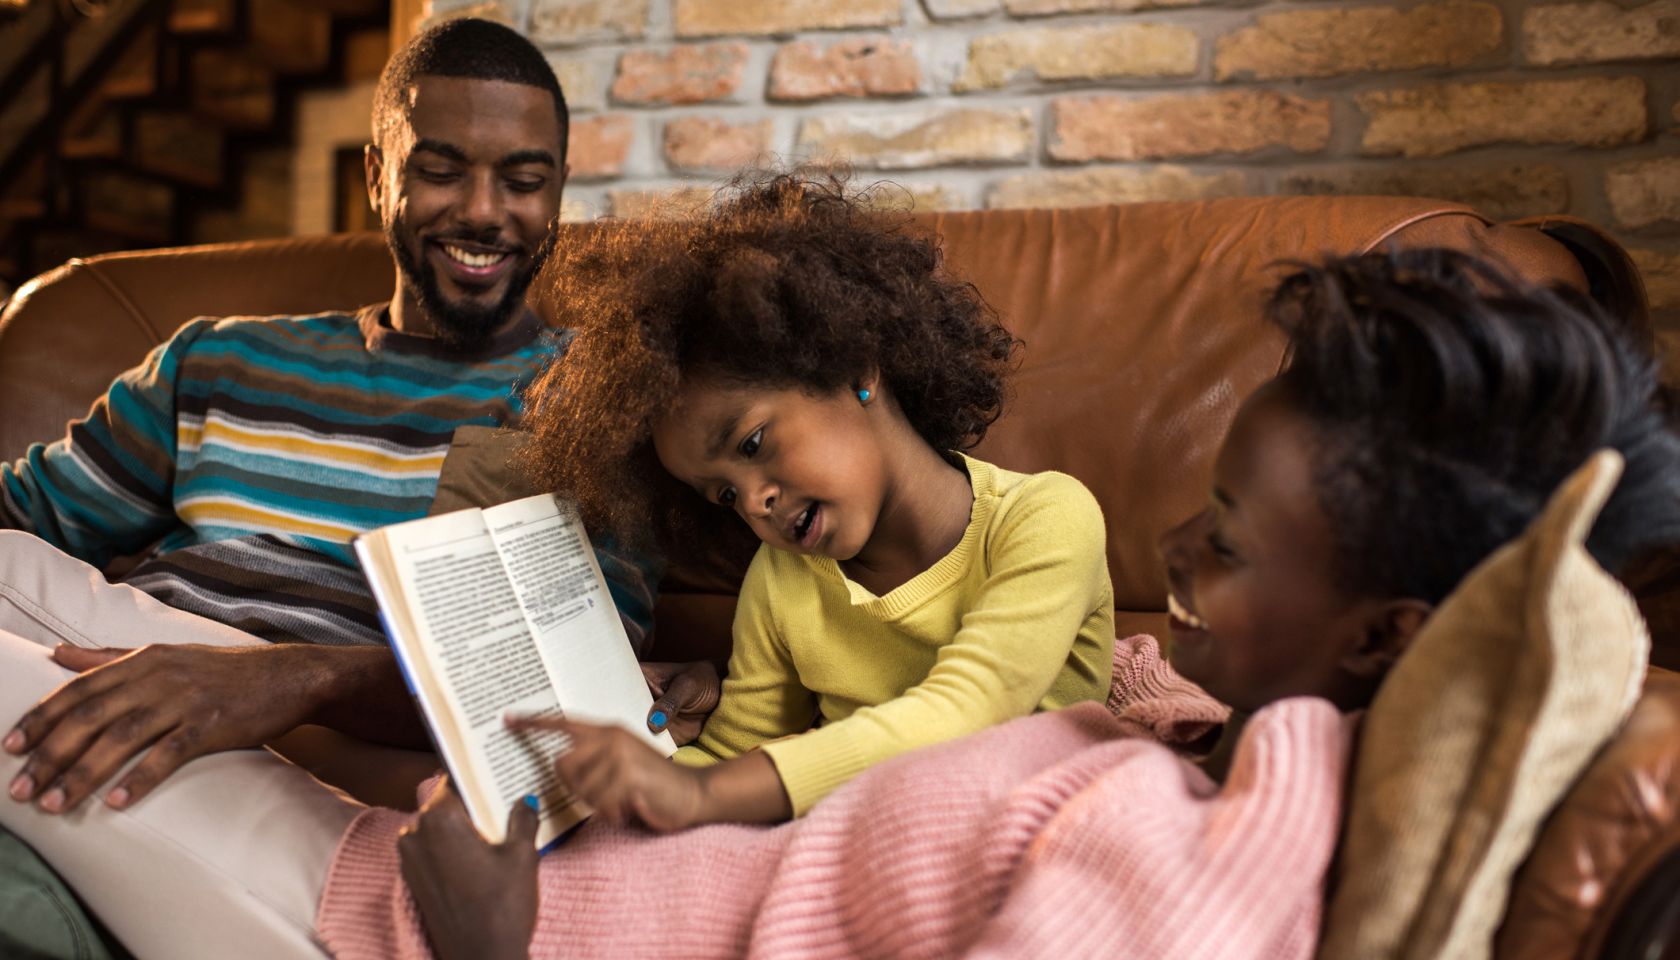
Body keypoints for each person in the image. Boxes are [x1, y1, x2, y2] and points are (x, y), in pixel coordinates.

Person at [339, 246, 1680, 959]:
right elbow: (751, 754)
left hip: (472, 931)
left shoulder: (1231, 825)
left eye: (1221, 542)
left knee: (162, 765)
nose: (1168, 571)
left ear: (1385, 633)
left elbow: (965, 707)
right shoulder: (1205, 751)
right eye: (724, 486)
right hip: (585, 882)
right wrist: (667, 758)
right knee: (225, 727)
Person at [0, 17, 660, 960]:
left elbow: (557, 703)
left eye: (524, 182)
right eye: (440, 170)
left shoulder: (588, 408)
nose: (485, 212)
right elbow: (26, 521)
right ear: (376, 175)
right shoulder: (219, 360)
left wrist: (279, 681)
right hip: (124, 669)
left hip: (313, 764)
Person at [512, 172, 1118, 828]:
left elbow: (964, 713)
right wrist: (618, 771)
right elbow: (727, 755)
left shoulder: (1047, 518)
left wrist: (699, 794)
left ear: (854, 365)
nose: (753, 504)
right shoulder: (782, 582)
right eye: (722, 495)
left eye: (751, 445)